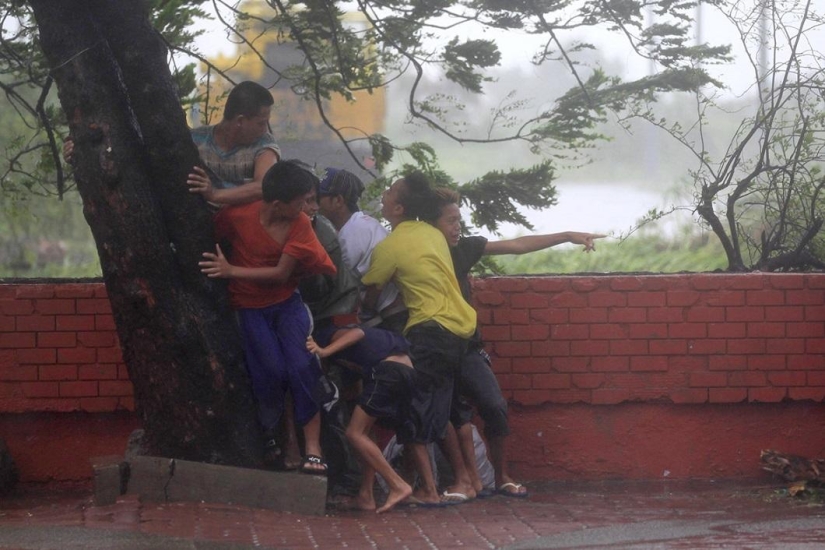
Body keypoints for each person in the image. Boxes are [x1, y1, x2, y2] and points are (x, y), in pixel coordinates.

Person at [427, 187, 606, 497]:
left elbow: (517, 245)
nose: (457, 227)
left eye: (459, 221)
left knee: (494, 406)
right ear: (431, 224)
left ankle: (501, 476)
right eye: (450, 221)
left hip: (467, 346)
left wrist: (567, 235)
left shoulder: (463, 249)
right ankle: (463, 480)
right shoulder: (420, 253)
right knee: (451, 414)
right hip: (434, 345)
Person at [198, 160, 336, 475]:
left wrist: (230, 271)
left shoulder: (299, 224)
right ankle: (276, 435)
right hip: (249, 307)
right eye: (301, 201)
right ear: (277, 204)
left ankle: (313, 449)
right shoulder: (238, 216)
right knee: (271, 371)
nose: (306, 208)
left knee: (301, 365)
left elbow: (281, 274)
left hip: (286, 304)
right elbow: (214, 235)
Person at [361, 172, 478, 506]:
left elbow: (371, 296)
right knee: (436, 410)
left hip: (429, 329)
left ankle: (427, 489)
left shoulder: (389, 247)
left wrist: (367, 310)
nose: (384, 194)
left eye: (390, 191)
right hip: (459, 329)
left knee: (411, 408)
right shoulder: (431, 233)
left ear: (398, 208)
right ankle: (458, 480)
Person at [306, 326, 416, 513]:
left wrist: (323, 351)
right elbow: (356, 390)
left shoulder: (328, 336)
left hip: (388, 371)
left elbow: (358, 333)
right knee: (366, 432)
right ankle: (366, 496)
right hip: (405, 373)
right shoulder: (358, 355)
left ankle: (397, 485)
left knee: (354, 434)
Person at [316, 168, 408, 333]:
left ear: (338, 200)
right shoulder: (361, 224)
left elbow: (337, 287)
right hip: (389, 314)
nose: (313, 204)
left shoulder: (352, 233)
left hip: (393, 317)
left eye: (317, 198)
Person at [187, 81, 280, 205]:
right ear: (240, 121)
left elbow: (263, 186)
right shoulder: (195, 139)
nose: (265, 130)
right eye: (261, 123)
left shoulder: (264, 143)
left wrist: (215, 194)